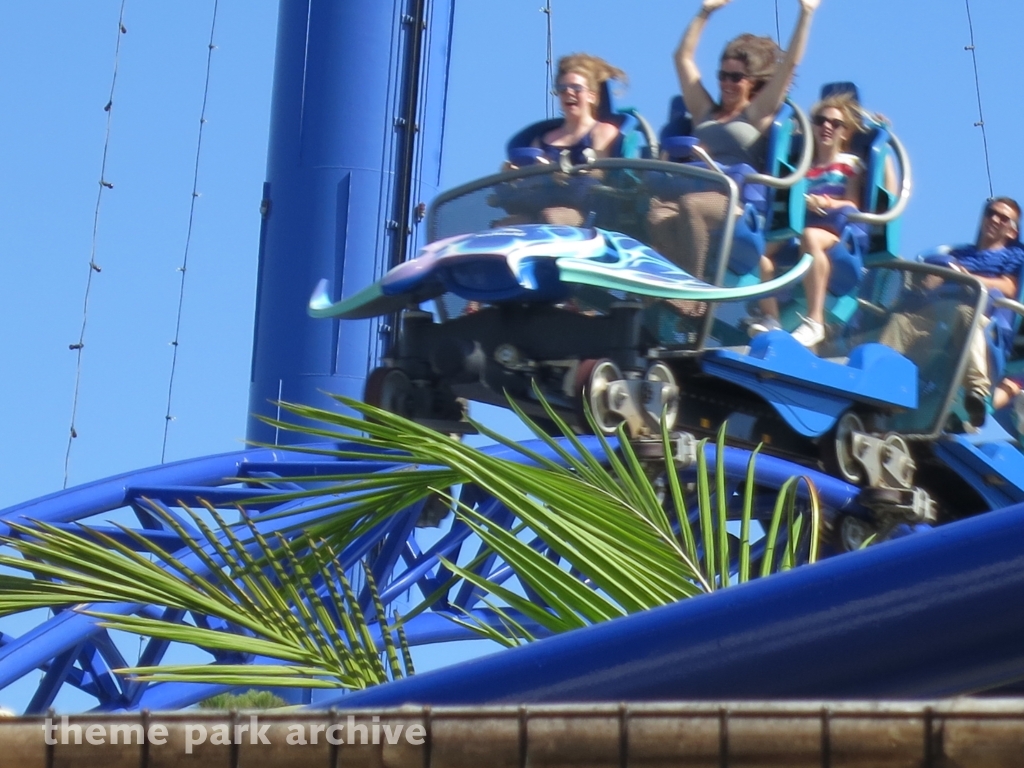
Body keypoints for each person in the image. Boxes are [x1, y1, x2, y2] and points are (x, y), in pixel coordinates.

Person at [647, 0, 820, 279]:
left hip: (734, 200)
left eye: (736, 77)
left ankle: (695, 289)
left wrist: (806, 13)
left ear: (751, 81)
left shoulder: (756, 114)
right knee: (658, 213)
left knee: (692, 205)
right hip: (693, 187)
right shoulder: (705, 112)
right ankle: (662, 287)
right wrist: (706, 11)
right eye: (723, 75)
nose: (727, 83)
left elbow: (789, 65)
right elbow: (682, 58)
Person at [883, 197, 1023, 427]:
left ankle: (978, 390)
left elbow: (1009, 287)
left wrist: (966, 277)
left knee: (965, 314)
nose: (995, 219)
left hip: (980, 318)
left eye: (1003, 218)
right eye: (991, 213)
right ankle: (883, 376)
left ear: (1012, 231)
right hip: (937, 318)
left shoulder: (1014, 256)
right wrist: (932, 280)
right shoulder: (960, 252)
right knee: (901, 321)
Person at [750, 92, 865, 346]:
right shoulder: (804, 167)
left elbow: (853, 203)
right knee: (760, 251)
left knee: (811, 237)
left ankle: (815, 321)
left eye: (835, 124)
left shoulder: (849, 164)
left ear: (844, 133)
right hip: (800, 228)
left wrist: (825, 203)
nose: (827, 127)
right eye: (821, 120)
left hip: (833, 231)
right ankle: (771, 317)